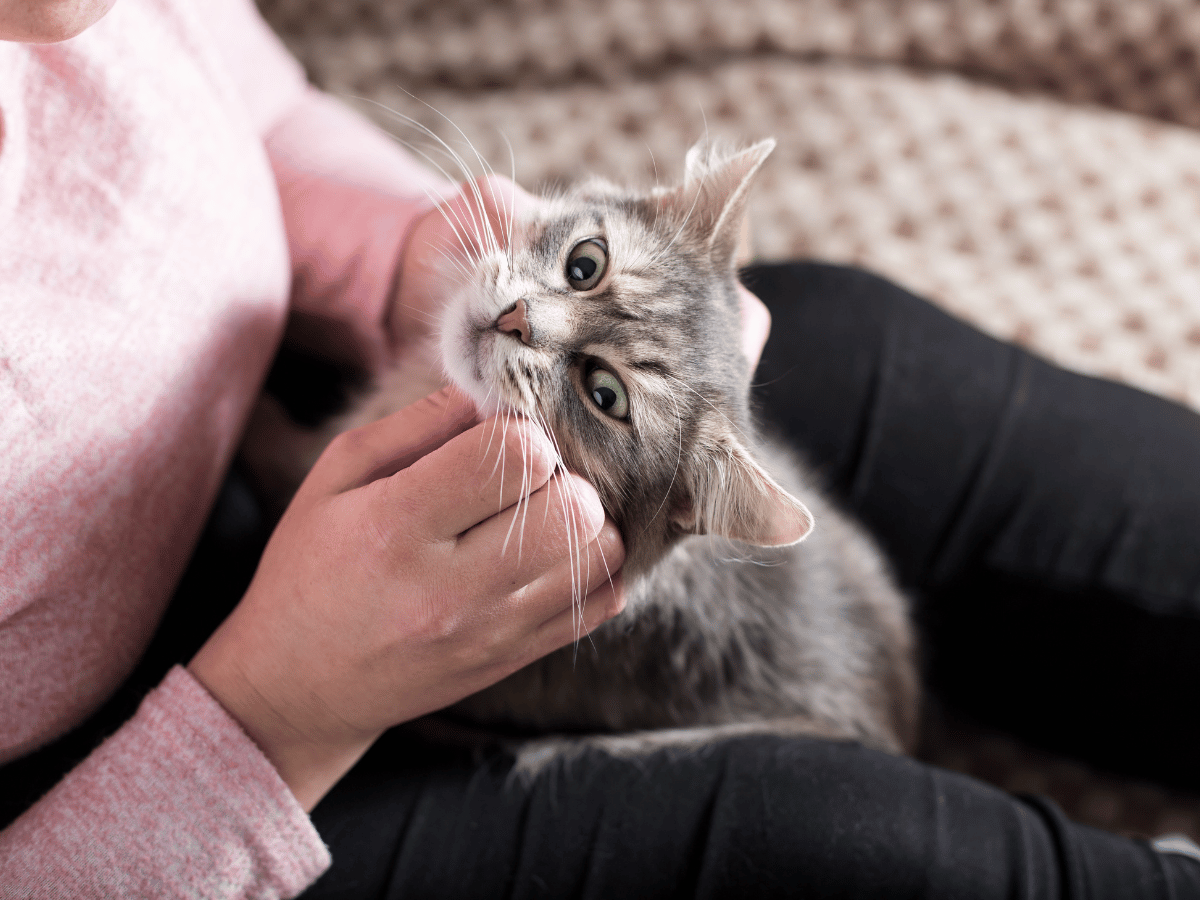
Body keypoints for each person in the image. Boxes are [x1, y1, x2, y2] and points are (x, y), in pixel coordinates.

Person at [0, 0, 1197, 897]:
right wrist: (283, 709)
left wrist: (409, 258)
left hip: (277, 400)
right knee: (827, 839)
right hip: (154, 777)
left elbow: (240, 106)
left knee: (877, 358)